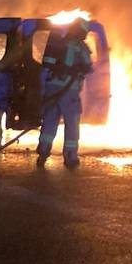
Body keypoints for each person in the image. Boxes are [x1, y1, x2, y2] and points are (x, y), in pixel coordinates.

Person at [36, 17, 93, 169]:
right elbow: (88, 67)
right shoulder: (81, 47)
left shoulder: (57, 43)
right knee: (71, 123)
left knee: (49, 120)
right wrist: (77, 68)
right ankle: (70, 157)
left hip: (52, 88)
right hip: (69, 92)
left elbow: (46, 62)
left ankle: (43, 152)